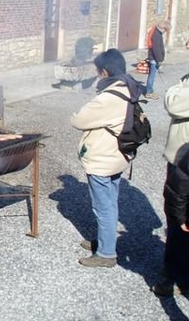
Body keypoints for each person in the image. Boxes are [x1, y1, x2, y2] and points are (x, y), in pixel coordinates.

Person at [70, 48, 146, 268]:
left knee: (103, 206)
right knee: (110, 202)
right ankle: (106, 240)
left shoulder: (109, 97)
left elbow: (79, 120)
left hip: (103, 158)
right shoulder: (128, 85)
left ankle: (106, 254)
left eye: (98, 71)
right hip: (118, 155)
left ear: (104, 72)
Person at [152, 73, 189, 297]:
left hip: (183, 162)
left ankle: (175, 277)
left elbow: (172, 102)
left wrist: (181, 84)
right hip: (182, 159)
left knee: (179, 219)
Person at [145, 21, 171, 100]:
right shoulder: (156, 35)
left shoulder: (157, 33)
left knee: (152, 75)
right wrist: (159, 60)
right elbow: (156, 49)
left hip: (154, 58)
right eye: (166, 30)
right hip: (154, 59)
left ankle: (150, 90)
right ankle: (149, 92)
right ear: (163, 28)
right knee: (152, 76)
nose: (165, 32)